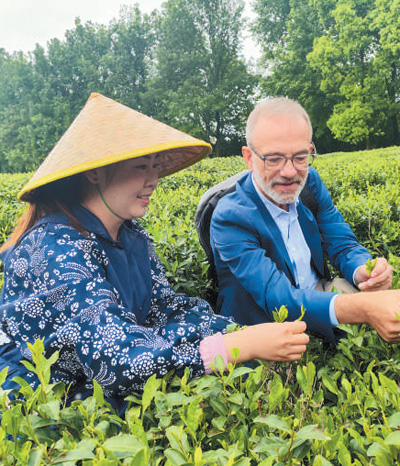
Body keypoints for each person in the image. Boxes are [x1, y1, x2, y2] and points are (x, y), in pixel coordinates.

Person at [0, 93, 309, 409]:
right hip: (44, 400)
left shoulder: (130, 234)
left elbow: (164, 307)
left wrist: (240, 332)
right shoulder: (54, 249)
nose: (153, 180)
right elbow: (119, 360)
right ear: (95, 172)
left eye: (156, 167)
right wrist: (233, 346)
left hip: (105, 375)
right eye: (140, 167)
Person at [210, 97, 400, 344]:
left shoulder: (310, 182)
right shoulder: (231, 217)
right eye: (274, 159)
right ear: (248, 157)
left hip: (317, 292)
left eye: (300, 157)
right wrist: (365, 307)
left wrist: (363, 270)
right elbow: (279, 298)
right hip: (265, 323)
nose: (289, 172)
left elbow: (342, 242)